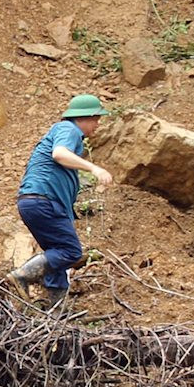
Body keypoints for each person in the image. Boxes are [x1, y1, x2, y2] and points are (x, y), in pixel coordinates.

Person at [12, 94, 113, 307]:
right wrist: (94, 168)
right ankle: (21, 276)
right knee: (71, 251)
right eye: (95, 119)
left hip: (34, 201)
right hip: (44, 200)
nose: (98, 124)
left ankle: (57, 311)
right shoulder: (68, 129)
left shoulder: (65, 132)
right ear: (83, 117)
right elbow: (59, 154)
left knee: (57, 255)